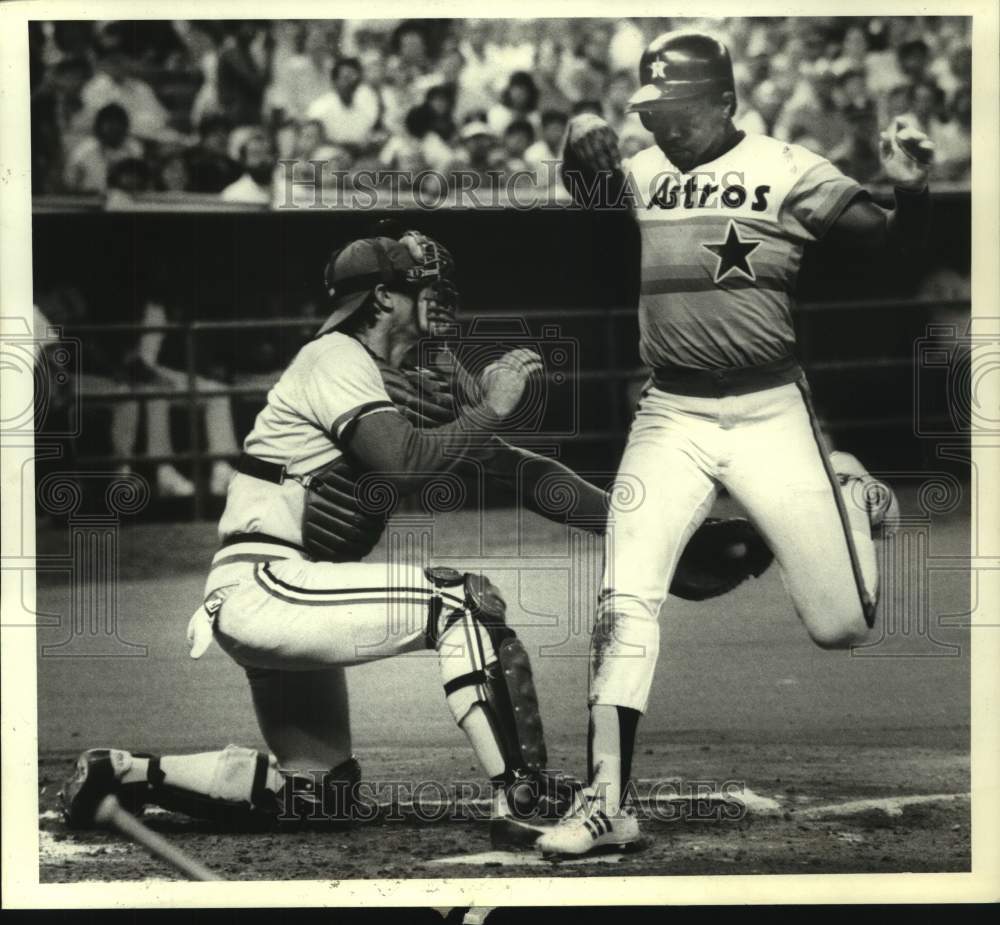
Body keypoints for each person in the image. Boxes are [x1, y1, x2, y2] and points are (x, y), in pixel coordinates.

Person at [59, 230, 772, 845]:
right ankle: (522, 796)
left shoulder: (427, 370)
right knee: (462, 602)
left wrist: (648, 537)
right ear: (380, 298)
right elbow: (402, 457)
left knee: (322, 794)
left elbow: (522, 475)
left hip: (299, 593)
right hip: (266, 581)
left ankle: (121, 771)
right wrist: (490, 407)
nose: (436, 294)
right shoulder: (332, 357)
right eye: (417, 282)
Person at [542, 29, 927, 858]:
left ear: (724, 102)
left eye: (677, 109)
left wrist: (911, 187)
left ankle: (850, 492)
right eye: (652, 111)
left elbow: (885, 233)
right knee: (626, 592)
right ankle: (608, 800)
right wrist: (579, 140)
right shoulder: (640, 171)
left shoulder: (790, 166)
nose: (662, 126)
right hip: (671, 413)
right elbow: (586, 191)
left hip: (771, 412)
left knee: (841, 626)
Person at [306, 58, 383, 156]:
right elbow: (311, 143)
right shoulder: (320, 107)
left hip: (359, 157)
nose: (352, 83)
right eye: (346, 78)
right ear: (334, 81)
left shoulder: (366, 105)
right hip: (329, 156)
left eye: (355, 79)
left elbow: (367, 137)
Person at [63, 103, 144, 194]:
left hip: (126, 202)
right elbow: (69, 185)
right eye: (110, 122)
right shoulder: (83, 151)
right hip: (90, 202)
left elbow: (142, 183)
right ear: (99, 126)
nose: (115, 127)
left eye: (118, 122)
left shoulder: (134, 149)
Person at [221, 131, 275, 204]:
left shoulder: (288, 191)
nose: (263, 160)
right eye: (255, 154)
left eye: (267, 153)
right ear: (244, 160)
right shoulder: (233, 195)